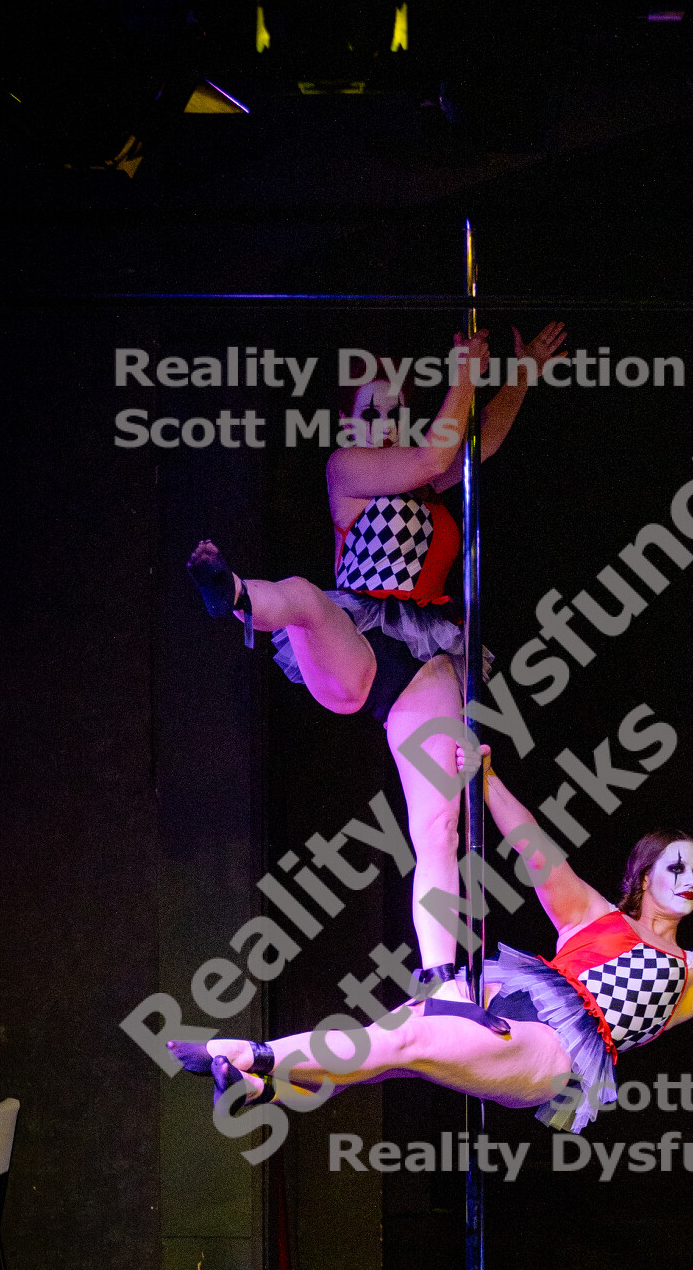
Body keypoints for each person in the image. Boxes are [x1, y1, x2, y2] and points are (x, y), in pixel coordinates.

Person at [170, 748, 693, 1133]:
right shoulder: (589, 916)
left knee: (407, 1038)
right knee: (390, 1046)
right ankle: (262, 1086)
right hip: (504, 1011)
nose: (688, 880)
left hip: (551, 1059)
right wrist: (486, 782)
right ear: (643, 875)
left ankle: (250, 1053)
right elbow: (532, 846)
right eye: (674, 867)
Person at [186, 322, 567, 1000]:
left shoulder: (428, 472)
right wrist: (462, 374)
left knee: (439, 824)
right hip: (355, 639)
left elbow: (474, 446)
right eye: (371, 409)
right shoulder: (347, 467)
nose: (383, 421)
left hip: (424, 661)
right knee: (304, 597)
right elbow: (435, 453)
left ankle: (443, 982)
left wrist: (522, 373)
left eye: (394, 410)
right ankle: (234, 594)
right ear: (346, 419)